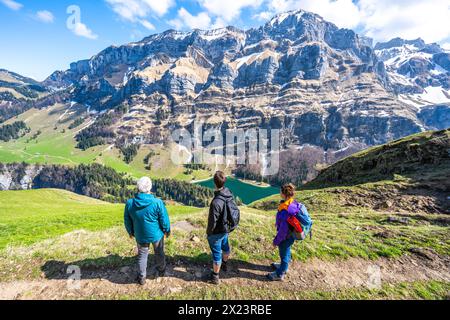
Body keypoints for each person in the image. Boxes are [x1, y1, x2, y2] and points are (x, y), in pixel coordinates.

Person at [124, 177, 170, 285]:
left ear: (138, 188)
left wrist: (130, 232)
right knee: (159, 252)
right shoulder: (157, 202)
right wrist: (167, 230)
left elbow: (127, 220)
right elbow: (164, 219)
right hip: (156, 234)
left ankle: (142, 277)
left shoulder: (130, 203)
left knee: (142, 255)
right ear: (150, 188)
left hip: (140, 235)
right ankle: (162, 270)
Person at [206, 171, 239, 285]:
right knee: (225, 247)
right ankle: (225, 264)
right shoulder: (228, 193)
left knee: (216, 254)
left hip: (217, 232)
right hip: (226, 229)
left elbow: (212, 222)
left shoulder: (216, 202)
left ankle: (215, 276)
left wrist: (209, 233)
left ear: (214, 183)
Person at [267, 183, 303, 281]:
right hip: (291, 234)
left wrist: (275, 242)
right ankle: (284, 266)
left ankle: (280, 274)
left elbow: (283, 231)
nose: (279, 193)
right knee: (286, 251)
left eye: (280, 191)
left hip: (286, 236)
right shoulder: (291, 202)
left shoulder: (286, 210)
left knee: (283, 253)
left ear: (284, 194)